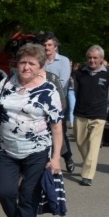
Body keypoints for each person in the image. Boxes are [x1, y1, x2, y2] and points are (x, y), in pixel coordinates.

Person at [0, 43, 63, 217]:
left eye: (32, 63)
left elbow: (56, 127)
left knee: (28, 195)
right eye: (23, 62)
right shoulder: (6, 84)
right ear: (17, 64)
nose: (26, 67)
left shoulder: (49, 91)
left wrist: (55, 158)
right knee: (5, 192)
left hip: (36, 151)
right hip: (7, 149)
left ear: (40, 67)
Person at [72, 45, 109, 186]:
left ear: (101, 59)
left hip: (99, 114)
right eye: (89, 58)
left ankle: (87, 175)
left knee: (93, 145)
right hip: (81, 113)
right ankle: (88, 164)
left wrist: (105, 109)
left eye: (95, 58)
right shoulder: (79, 73)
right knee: (80, 142)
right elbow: (76, 93)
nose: (92, 60)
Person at [42, 33, 75, 172]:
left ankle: (67, 157)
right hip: (41, 99)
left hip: (58, 100)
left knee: (58, 130)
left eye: (49, 45)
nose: (47, 47)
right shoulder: (40, 60)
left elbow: (62, 81)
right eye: (44, 45)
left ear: (55, 47)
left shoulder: (63, 61)